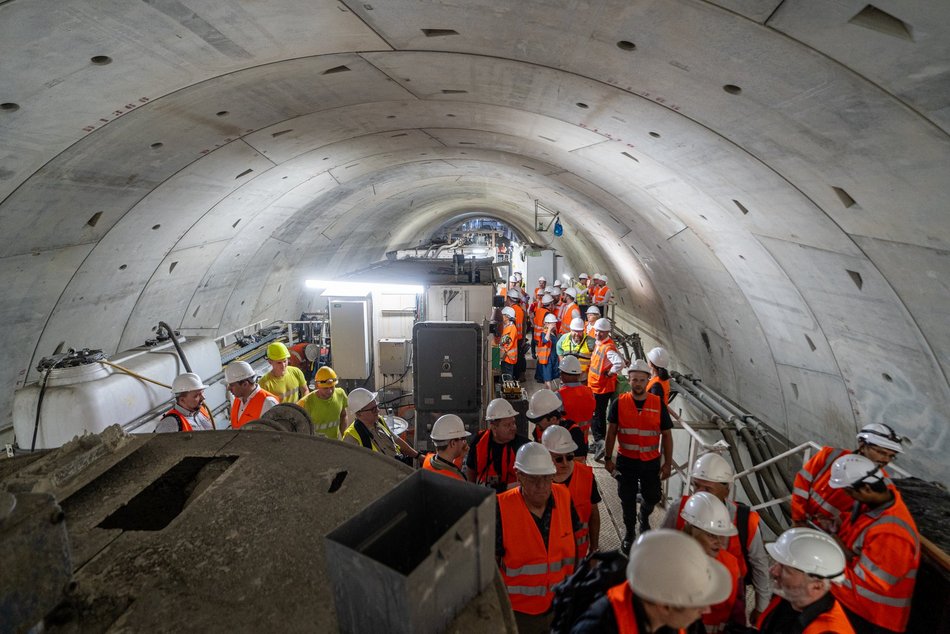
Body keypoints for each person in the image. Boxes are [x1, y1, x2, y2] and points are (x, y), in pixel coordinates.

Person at [661, 451, 772, 624]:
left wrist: (761, 608)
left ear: (726, 489)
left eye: (707, 488)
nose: (699, 493)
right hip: (684, 599)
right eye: (696, 486)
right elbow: (662, 547)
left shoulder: (746, 521)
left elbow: (760, 566)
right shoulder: (680, 508)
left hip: (727, 603)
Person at [571, 529, 731, 633]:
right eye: (697, 604)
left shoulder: (675, 621)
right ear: (665, 605)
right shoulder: (596, 628)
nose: (706, 610)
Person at [827, 454, 919, 634]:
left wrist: (821, 570)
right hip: (861, 608)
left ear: (867, 488)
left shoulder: (892, 534)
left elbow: (865, 587)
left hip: (873, 617)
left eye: (848, 491)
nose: (846, 496)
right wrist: (837, 525)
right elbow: (858, 531)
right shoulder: (872, 505)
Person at [497, 442, 580, 634]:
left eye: (547, 478)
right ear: (519, 476)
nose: (542, 486)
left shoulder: (564, 497)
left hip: (560, 606)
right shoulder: (500, 508)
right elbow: (490, 568)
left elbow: (574, 545)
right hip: (519, 614)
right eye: (534, 479)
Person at [603, 360, 673, 552]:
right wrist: (608, 459)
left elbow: (666, 434)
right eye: (635, 380)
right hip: (627, 460)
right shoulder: (620, 403)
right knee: (626, 497)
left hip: (651, 461)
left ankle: (644, 515)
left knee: (653, 496)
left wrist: (666, 464)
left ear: (647, 380)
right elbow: (611, 432)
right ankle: (629, 533)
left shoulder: (657, 404)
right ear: (629, 379)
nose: (638, 384)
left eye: (642, 380)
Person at [791, 423, 907, 530]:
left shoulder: (884, 486)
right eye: (881, 452)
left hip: (829, 532)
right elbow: (802, 484)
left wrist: (832, 527)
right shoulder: (830, 455)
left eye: (891, 456)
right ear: (862, 445)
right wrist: (798, 517)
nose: (886, 460)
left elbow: (863, 519)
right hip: (801, 519)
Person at [757, 527, 855, 634]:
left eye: (785, 569)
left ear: (816, 586)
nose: (772, 571)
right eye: (777, 564)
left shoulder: (827, 630)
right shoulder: (791, 598)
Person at [678, 492, 742, 634]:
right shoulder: (672, 561)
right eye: (711, 535)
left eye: (722, 536)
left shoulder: (731, 565)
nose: (719, 542)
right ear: (690, 530)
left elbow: (738, 608)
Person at [542, 425, 600, 558]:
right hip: (549, 560)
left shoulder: (586, 476)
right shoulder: (538, 480)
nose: (565, 463)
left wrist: (594, 548)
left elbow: (593, 515)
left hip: (578, 556)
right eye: (558, 459)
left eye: (569, 457)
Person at [467, 398, 530, 493]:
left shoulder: (524, 446)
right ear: (494, 427)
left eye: (513, 423)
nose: (513, 428)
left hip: (512, 499)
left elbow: (530, 481)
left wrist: (503, 489)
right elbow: (470, 470)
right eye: (507, 425)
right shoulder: (479, 441)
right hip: (485, 499)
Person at [341, 388, 420, 463]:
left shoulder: (379, 420)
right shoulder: (352, 437)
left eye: (377, 406)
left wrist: (418, 456)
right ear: (359, 413)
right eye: (373, 409)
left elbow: (397, 440)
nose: (378, 411)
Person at [588, 318, 624, 461]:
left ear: (607, 332)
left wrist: (609, 373)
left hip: (601, 388)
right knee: (597, 414)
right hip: (596, 385)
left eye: (601, 332)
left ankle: (600, 442)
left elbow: (619, 364)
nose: (597, 333)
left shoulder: (607, 347)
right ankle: (598, 442)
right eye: (596, 331)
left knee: (597, 415)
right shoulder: (601, 343)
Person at [527, 388, 588, 461]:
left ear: (553, 419)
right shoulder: (538, 430)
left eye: (539, 421)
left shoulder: (574, 432)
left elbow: (580, 460)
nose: (537, 425)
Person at [296, 366, 347, 439]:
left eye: (332, 387)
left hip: (334, 443)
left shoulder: (340, 394)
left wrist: (344, 437)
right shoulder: (305, 403)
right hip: (315, 446)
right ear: (317, 386)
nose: (330, 391)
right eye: (325, 388)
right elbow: (299, 429)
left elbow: (343, 416)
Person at [224, 361, 277, 429]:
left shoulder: (268, 403)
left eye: (231, 385)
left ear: (245, 384)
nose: (228, 388)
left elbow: (273, 435)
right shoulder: (238, 399)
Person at [558, 355, 595, 441]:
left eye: (561, 372)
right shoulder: (589, 392)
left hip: (566, 440)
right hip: (584, 439)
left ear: (564, 375)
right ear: (579, 375)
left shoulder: (559, 395)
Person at [422, 414, 470, 481]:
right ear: (453, 443)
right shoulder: (457, 480)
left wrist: (460, 458)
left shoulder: (428, 460)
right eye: (463, 438)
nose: (464, 442)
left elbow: (448, 467)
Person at [507, 288, 528, 381]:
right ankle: (520, 375)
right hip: (520, 339)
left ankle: (514, 377)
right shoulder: (521, 310)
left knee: (512, 359)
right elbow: (524, 326)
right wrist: (523, 339)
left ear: (509, 298)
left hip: (513, 339)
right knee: (520, 357)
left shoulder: (510, 311)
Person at [535, 312, 560, 389]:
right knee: (547, 378)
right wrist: (549, 328)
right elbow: (545, 340)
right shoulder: (544, 333)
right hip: (547, 360)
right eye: (553, 323)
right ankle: (549, 395)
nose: (555, 325)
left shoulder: (554, 333)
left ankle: (548, 393)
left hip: (553, 358)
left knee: (551, 377)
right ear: (547, 324)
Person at [532, 293, 555, 359]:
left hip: (536, 337)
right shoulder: (547, 314)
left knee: (540, 356)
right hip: (543, 338)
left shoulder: (538, 310)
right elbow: (546, 327)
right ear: (550, 304)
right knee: (544, 358)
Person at [499, 306, 518, 378]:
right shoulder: (507, 326)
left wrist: (502, 353)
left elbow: (508, 343)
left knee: (507, 378)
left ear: (507, 316)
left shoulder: (511, 328)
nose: (501, 317)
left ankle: (509, 389)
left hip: (508, 357)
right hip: (505, 357)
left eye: (503, 315)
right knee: (504, 376)